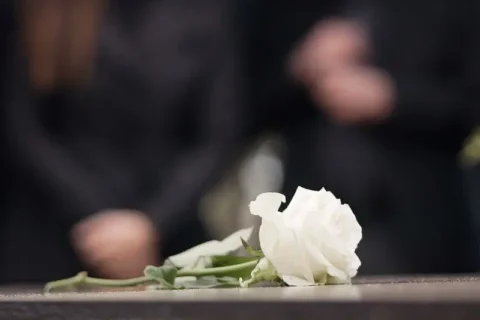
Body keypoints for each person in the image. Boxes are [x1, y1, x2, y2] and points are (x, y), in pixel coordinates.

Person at [0, 0, 244, 284]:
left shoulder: (201, 14)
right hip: (50, 231)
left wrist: (149, 223)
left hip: (169, 233)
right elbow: (24, 128)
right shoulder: (41, 10)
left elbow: (217, 134)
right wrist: (100, 220)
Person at [243, 0, 480, 274]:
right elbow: (235, 107)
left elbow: (468, 107)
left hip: (416, 222)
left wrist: (392, 98)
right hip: (305, 216)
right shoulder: (286, 12)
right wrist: (301, 63)